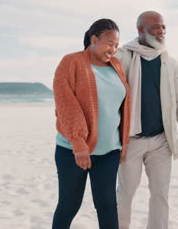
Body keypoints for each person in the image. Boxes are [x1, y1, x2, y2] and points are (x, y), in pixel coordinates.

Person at [115, 11, 178, 229]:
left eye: (163, 27)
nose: (161, 31)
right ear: (140, 30)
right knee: (125, 193)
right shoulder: (123, 57)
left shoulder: (171, 64)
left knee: (161, 194)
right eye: (155, 27)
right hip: (130, 140)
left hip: (161, 140)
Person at [52, 18, 131, 229]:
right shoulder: (71, 62)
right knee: (69, 204)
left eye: (116, 45)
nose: (113, 49)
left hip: (109, 152)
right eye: (109, 43)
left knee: (107, 205)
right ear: (94, 39)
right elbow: (65, 103)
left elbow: (120, 107)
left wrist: (122, 143)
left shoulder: (116, 65)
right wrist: (78, 143)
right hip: (73, 151)